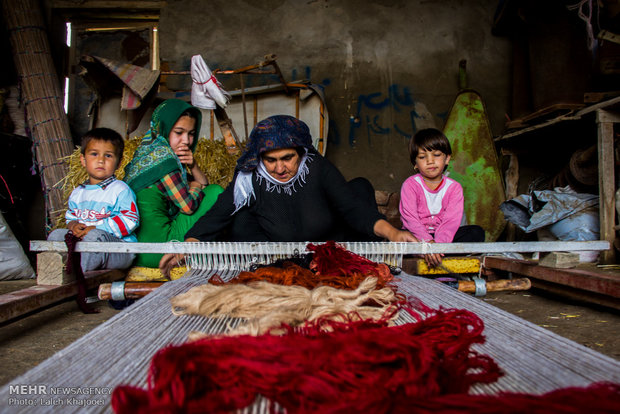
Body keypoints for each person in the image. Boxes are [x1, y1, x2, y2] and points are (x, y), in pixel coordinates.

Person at [160, 114, 417, 276]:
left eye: (287, 158)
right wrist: (188, 244)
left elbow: (352, 208)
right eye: (270, 160)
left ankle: (324, 265)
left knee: (359, 186)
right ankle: (283, 269)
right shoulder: (249, 175)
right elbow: (220, 212)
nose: (280, 168)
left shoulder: (317, 166)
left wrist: (393, 233)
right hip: (276, 253)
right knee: (238, 215)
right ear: (260, 157)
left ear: (301, 153)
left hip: (325, 243)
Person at [123, 99, 223, 268]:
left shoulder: (147, 153)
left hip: (137, 251)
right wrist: (196, 187)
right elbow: (189, 206)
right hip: (160, 252)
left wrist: (194, 166)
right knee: (216, 192)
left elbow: (200, 185)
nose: (186, 141)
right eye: (178, 132)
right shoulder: (165, 161)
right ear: (164, 129)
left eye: (191, 134)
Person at [48, 127, 138, 271]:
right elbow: (70, 216)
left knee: (95, 237)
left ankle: (79, 278)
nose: (101, 160)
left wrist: (95, 228)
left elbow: (130, 220)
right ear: (83, 160)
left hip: (118, 250)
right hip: (86, 245)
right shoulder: (78, 193)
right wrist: (73, 225)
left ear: (119, 163)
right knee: (56, 235)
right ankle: (58, 274)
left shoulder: (120, 189)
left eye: (108, 156)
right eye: (94, 154)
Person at [399, 128, 485, 266]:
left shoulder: (454, 188)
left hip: (444, 238)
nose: (430, 161)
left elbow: (451, 222)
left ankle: (436, 256)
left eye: (437, 155)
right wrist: (427, 243)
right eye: (422, 157)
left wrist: (437, 247)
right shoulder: (410, 185)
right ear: (415, 163)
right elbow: (410, 219)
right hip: (416, 237)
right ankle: (434, 257)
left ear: (447, 159)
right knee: (397, 237)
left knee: (476, 232)